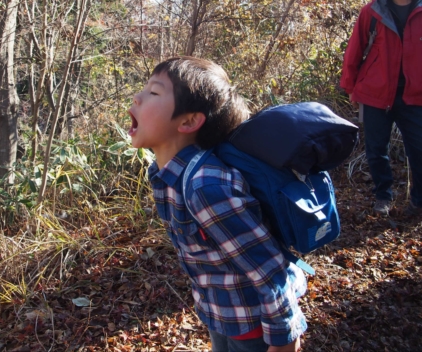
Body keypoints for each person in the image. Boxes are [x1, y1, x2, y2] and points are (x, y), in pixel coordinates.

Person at [128, 57, 306, 352]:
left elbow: (269, 269)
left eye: (154, 92)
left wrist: (285, 338)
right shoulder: (162, 174)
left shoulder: (206, 188)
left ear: (188, 121)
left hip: (255, 326)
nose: (138, 96)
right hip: (221, 313)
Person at [340, 0, 422, 225]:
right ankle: (383, 198)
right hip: (375, 93)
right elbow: (355, 50)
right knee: (377, 149)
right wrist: (351, 87)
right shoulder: (372, 11)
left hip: (415, 93)